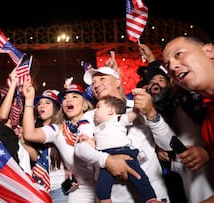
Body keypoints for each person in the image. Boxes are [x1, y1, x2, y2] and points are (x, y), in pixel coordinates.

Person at [75, 53, 173, 202]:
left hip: (153, 195)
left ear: (118, 82)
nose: (96, 84)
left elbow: (168, 145)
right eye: (93, 83)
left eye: (102, 79)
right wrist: (107, 160)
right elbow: (80, 149)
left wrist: (152, 113)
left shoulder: (138, 106)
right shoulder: (90, 116)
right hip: (115, 198)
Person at [143, 46, 214, 203]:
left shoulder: (199, 97)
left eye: (162, 80)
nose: (156, 83)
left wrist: (208, 153)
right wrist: (158, 146)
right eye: (152, 82)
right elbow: (160, 131)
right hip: (182, 169)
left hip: (206, 164)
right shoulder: (164, 107)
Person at [22, 77, 98, 203]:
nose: (68, 100)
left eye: (75, 96)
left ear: (84, 105)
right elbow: (29, 134)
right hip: (80, 192)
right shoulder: (58, 130)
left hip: (108, 186)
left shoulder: (97, 121)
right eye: (65, 98)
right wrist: (29, 100)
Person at [80, 95, 157, 203]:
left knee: (140, 178)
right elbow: (94, 144)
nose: (94, 111)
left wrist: (136, 108)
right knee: (102, 187)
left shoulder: (117, 119)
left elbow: (131, 116)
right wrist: (87, 139)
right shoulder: (96, 129)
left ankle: (151, 199)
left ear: (111, 111)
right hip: (106, 158)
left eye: (98, 107)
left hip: (124, 152)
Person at [31, 89, 69, 202]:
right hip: (40, 188)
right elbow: (36, 158)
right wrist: (22, 140)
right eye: (39, 103)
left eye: (47, 103)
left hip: (60, 190)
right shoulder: (35, 131)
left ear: (57, 108)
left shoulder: (61, 129)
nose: (42, 106)